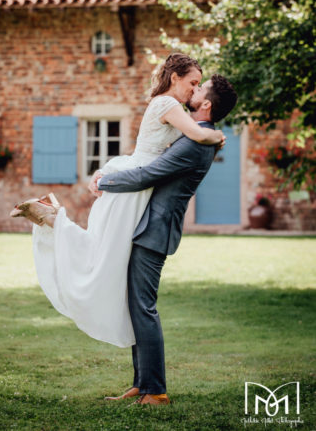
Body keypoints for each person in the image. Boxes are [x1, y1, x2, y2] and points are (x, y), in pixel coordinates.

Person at [10, 53, 224, 349]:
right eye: (193, 82)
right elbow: (196, 135)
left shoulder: (173, 107)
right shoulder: (170, 105)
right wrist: (217, 136)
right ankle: (54, 219)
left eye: (199, 85)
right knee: (104, 253)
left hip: (137, 184)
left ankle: (53, 217)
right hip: (134, 186)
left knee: (106, 252)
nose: (194, 89)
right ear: (175, 78)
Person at [92, 72, 238, 405]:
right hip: (149, 228)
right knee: (136, 305)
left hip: (155, 232)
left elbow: (148, 175)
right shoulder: (199, 135)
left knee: (143, 307)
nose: (194, 89)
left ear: (205, 103)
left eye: (199, 88)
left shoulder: (196, 141)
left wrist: (103, 182)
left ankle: (155, 391)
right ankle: (141, 383)